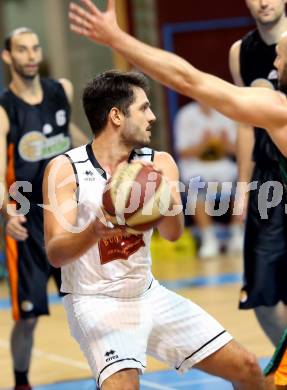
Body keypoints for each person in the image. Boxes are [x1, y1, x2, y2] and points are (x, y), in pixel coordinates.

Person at [67, 0, 287, 387]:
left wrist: (116, 37)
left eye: (282, 56)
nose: (275, 62)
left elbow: (190, 80)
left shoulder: (279, 109)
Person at [0, 27, 87, 390]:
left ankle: (110, 372)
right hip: (27, 218)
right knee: (29, 318)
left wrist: (111, 156)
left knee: (87, 305)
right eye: (22, 49)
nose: (31, 55)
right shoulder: (4, 109)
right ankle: (21, 381)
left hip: (66, 212)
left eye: (35, 47)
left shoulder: (61, 90)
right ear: (9, 57)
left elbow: (75, 136)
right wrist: (7, 212)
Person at [229, 0, 287, 348]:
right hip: (267, 178)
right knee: (262, 291)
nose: (263, 1)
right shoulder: (242, 51)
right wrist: (241, 186)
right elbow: (244, 123)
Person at [174, 101, 242, 258]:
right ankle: (208, 238)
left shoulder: (226, 112)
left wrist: (223, 144)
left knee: (244, 182)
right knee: (195, 185)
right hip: (197, 165)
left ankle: (237, 233)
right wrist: (203, 145)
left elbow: (237, 148)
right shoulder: (185, 115)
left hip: (223, 164)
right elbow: (182, 152)